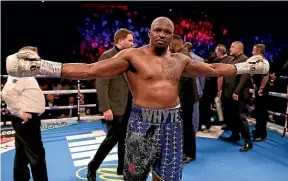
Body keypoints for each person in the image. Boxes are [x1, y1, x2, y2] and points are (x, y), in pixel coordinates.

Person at [6, 17, 269, 181]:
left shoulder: (180, 60)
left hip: (173, 122)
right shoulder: (133, 56)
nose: (163, 34)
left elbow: (213, 70)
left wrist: (247, 67)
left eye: (168, 31)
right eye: (158, 30)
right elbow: (90, 70)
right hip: (142, 123)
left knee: (168, 176)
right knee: (135, 175)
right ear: (150, 32)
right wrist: (43, 67)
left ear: (173, 35)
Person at [87, 28, 134, 181]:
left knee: (126, 139)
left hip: (129, 104)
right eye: (130, 40)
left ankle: (122, 169)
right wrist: (106, 107)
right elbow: (101, 83)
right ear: (120, 41)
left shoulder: (130, 57)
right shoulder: (107, 56)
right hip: (114, 106)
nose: (133, 43)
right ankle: (92, 166)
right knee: (113, 138)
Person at [2, 46, 48, 181]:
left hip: (26, 120)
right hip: (26, 120)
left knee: (22, 155)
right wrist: (20, 112)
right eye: (35, 58)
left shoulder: (25, 73)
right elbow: (6, 93)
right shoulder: (19, 73)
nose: (38, 61)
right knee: (36, 154)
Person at [219, 41, 254, 151]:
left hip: (239, 94)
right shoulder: (232, 59)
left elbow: (245, 77)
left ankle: (248, 141)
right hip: (229, 92)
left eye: (232, 47)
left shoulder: (245, 59)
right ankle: (235, 135)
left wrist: (237, 92)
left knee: (240, 116)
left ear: (239, 48)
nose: (230, 48)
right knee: (232, 115)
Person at [170, 35, 197, 164]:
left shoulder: (182, 56)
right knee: (184, 125)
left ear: (174, 44)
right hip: (184, 96)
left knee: (187, 125)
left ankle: (190, 153)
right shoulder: (182, 54)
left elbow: (182, 78)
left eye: (170, 45)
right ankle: (186, 150)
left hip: (185, 97)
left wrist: (175, 96)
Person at [251, 44, 269, 141]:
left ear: (258, 51)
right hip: (258, 88)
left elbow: (266, 75)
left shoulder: (263, 61)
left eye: (253, 50)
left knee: (261, 111)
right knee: (258, 111)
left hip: (262, 90)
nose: (252, 52)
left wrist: (261, 88)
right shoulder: (258, 61)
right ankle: (258, 130)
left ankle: (262, 134)